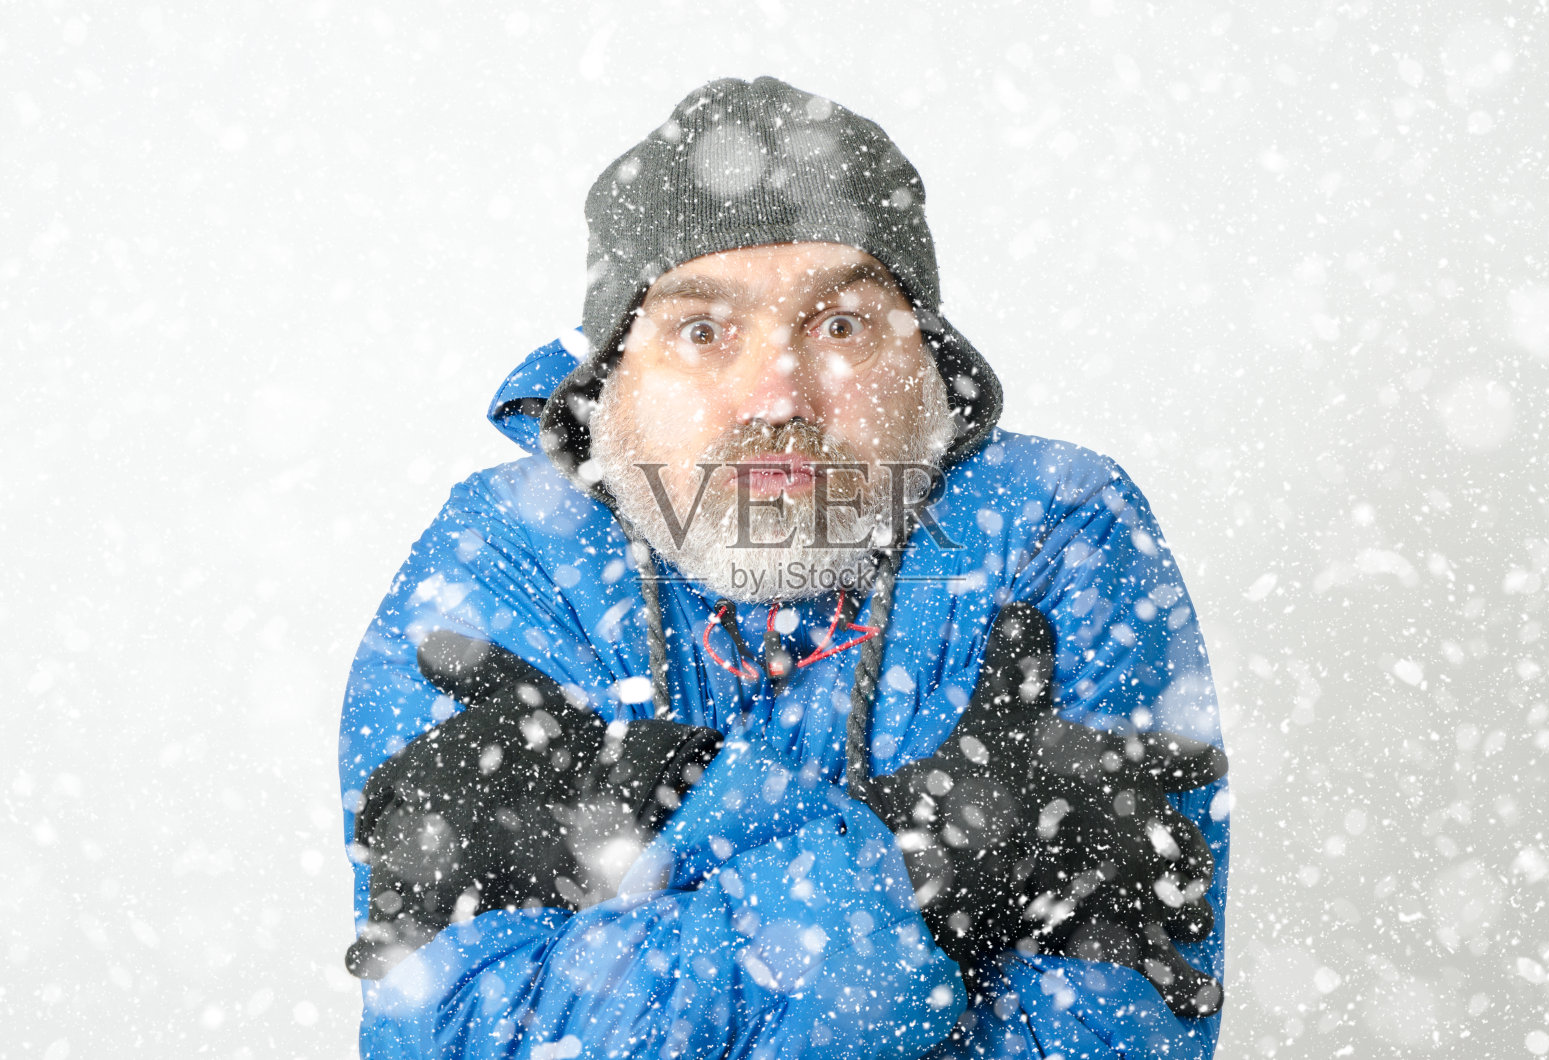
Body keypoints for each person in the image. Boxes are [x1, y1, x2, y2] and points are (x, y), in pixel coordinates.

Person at [338, 76, 1230, 1060]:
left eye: (840, 324)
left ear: (930, 368)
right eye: (702, 331)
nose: (776, 394)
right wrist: (910, 871)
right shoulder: (504, 556)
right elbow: (460, 1040)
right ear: (610, 387)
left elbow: (1106, 1040)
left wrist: (667, 826)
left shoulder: (1054, 530)